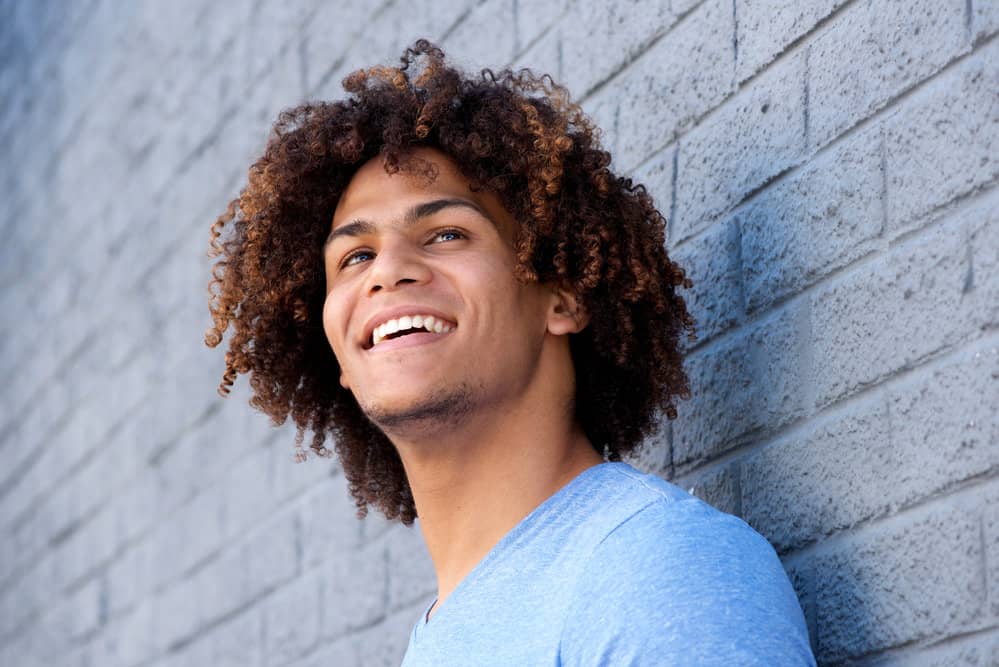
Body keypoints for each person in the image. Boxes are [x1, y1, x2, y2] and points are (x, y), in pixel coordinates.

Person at [205, 39, 816, 665]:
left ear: (563, 296)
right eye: (354, 257)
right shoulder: (445, 634)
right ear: (335, 352)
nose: (387, 272)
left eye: (446, 233)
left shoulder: (656, 567)